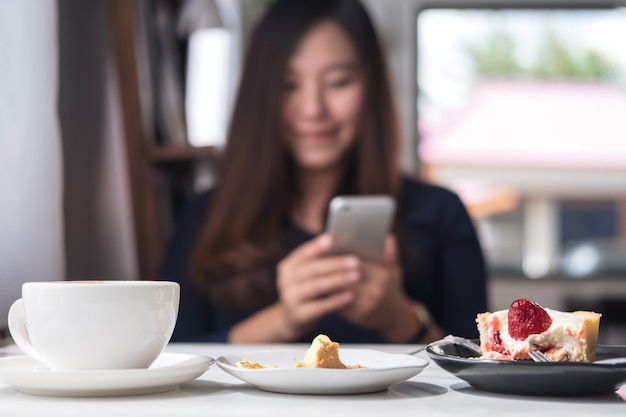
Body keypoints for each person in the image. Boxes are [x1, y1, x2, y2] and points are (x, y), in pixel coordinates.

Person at [159, 0, 488, 344]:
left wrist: (399, 319)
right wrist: (283, 320)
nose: (313, 109)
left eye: (338, 82)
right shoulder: (205, 217)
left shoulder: (441, 215)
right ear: (260, 96)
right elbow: (173, 357)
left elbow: (476, 368)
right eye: (288, 85)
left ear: (371, 87)